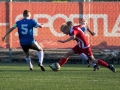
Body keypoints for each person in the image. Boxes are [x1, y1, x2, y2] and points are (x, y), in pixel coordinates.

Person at [49, 23, 116, 73]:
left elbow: (73, 36)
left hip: (85, 46)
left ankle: (109, 66)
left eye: (64, 32)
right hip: (80, 45)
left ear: (66, 28)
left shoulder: (73, 30)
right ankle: (59, 65)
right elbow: (84, 24)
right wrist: (91, 32)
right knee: (68, 54)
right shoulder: (74, 27)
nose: (65, 34)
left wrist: (64, 41)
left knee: (93, 60)